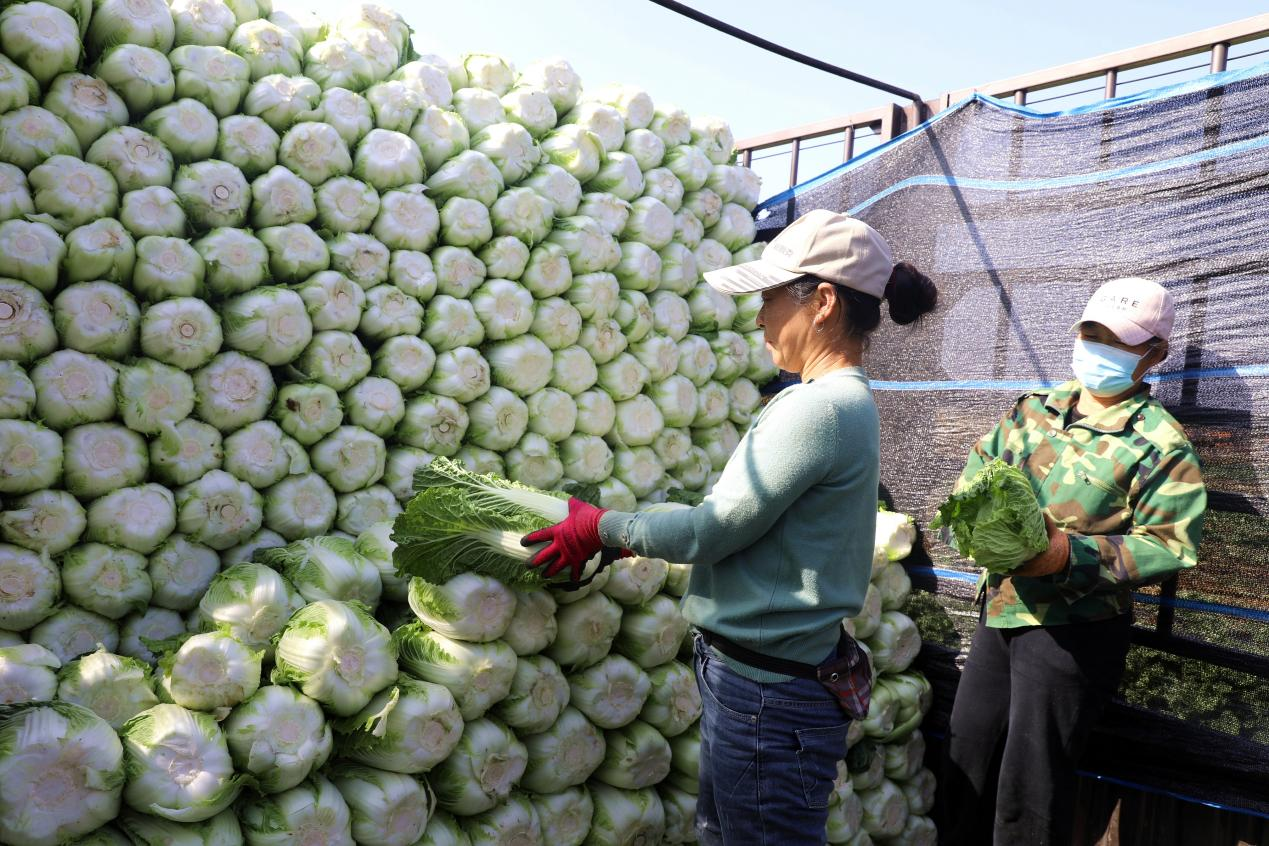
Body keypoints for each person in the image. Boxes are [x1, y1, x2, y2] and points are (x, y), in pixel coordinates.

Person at [521, 209, 938, 845]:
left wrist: (604, 528)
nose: (759, 315)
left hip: (770, 694)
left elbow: (709, 534)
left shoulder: (819, 408)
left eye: (770, 297)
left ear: (822, 301)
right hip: (772, 676)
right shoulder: (844, 400)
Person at [940, 277, 1208, 846]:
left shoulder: (1161, 443)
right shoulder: (1038, 408)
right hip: (1003, 608)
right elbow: (981, 469)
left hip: (1074, 630)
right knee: (967, 751)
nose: (1098, 346)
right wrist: (976, 526)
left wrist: (1070, 555)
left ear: (1155, 354)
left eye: (1118, 341)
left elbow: (1170, 543)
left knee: (1031, 787)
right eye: (1091, 332)